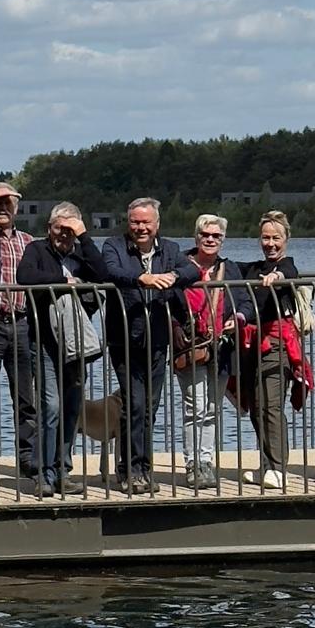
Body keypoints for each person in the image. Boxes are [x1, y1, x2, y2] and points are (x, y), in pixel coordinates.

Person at [102, 198, 200, 494]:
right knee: (134, 404)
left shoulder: (169, 249)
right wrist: (141, 278)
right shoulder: (114, 245)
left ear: (157, 224)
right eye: (135, 221)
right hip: (125, 338)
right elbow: (110, 271)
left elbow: (192, 271)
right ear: (127, 222)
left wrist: (174, 276)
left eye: (146, 222)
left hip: (157, 340)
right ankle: (130, 470)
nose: (140, 227)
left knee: (150, 408)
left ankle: (141, 468)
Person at [18, 203, 109, 497]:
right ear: (49, 227)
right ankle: (42, 473)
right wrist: (65, 282)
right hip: (44, 341)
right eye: (60, 229)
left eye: (70, 230)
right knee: (51, 407)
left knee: (71, 409)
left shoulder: (82, 253)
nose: (64, 235)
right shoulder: (36, 250)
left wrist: (84, 237)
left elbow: (104, 274)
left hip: (76, 344)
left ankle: (62, 471)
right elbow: (25, 277)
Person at [172, 215, 250, 489]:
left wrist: (238, 317)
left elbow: (244, 301)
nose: (210, 239)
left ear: (223, 240)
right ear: (196, 237)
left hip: (221, 347)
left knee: (213, 408)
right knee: (194, 405)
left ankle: (206, 462)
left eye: (216, 236)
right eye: (205, 234)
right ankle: (193, 463)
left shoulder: (229, 269)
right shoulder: (179, 264)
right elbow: (169, 299)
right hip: (190, 346)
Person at [0, 183, 42, 488]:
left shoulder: (29, 242)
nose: (2, 210)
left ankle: (27, 456)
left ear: (16, 210)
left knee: (25, 396)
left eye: (7, 205)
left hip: (22, 324)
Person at [238, 211, 311, 491]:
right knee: (257, 407)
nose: (270, 243)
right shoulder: (254, 268)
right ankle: (267, 465)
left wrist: (277, 275)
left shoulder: (286, 266)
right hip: (252, 345)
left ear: (286, 240)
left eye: (276, 238)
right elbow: (225, 267)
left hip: (278, 344)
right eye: (266, 238)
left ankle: (278, 468)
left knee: (271, 406)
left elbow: (289, 273)